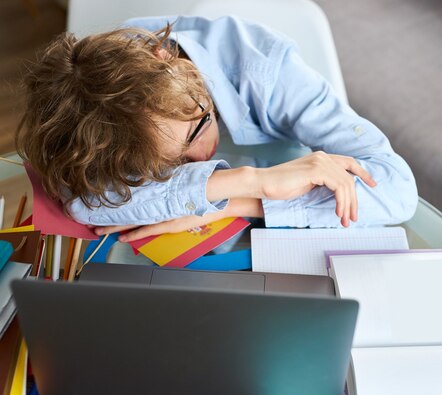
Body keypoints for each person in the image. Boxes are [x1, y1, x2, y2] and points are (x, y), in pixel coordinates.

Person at [16, 15, 417, 242]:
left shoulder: (269, 71)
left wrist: (245, 200)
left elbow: (398, 192)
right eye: (164, 166)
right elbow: (83, 200)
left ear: (169, 59)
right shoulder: (97, 94)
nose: (197, 160)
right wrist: (245, 183)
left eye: (195, 130)